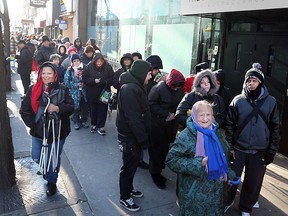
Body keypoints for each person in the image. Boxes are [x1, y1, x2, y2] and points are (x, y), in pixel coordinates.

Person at [224, 63, 280, 216]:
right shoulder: (238, 100)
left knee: (253, 182)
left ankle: (245, 207)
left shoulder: (271, 102)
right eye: (248, 80)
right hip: (239, 148)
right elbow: (230, 125)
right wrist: (229, 147)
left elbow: (275, 127)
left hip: (259, 150)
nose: (251, 83)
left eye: (254, 80)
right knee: (231, 178)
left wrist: (271, 150)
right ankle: (226, 202)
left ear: (260, 82)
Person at [166, 100, 237, 215]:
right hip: (194, 196)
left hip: (216, 195)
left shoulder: (217, 133)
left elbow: (222, 157)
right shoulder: (187, 136)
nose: (205, 118)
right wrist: (198, 163)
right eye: (201, 115)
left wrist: (227, 174)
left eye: (208, 115)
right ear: (194, 116)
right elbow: (171, 160)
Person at [20, 62, 74, 196]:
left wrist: (58, 108)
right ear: (39, 74)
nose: (46, 76)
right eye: (43, 73)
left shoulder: (62, 88)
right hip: (39, 132)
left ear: (54, 74)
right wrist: (33, 124)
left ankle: (51, 181)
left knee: (54, 157)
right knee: (36, 156)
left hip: (58, 131)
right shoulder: (33, 89)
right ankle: (47, 170)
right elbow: (24, 109)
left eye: (49, 73)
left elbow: (72, 107)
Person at [116, 59, 152, 212]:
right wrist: (143, 139)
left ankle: (129, 189)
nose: (150, 77)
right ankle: (125, 197)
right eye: (149, 74)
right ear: (141, 73)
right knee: (129, 166)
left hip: (133, 136)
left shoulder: (135, 85)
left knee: (131, 165)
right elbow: (133, 118)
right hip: (130, 137)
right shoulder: (130, 89)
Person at [148, 69, 185, 189]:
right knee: (155, 149)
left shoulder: (179, 91)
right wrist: (165, 114)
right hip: (156, 124)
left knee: (164, 148)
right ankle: (155, 172)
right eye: (175, 86)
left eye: (179, 86)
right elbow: (151, 104)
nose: (176, 88)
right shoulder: (158, 88)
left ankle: (159, 169)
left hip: (170, 125)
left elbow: (181, 104)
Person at [82, 53, 114, 135]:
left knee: (103, 110)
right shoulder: (89, 67)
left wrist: (105, 82)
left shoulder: (108, 67)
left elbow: (112, 78)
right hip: (92, 92)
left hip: (105, 92)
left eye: (101, 61)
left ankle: (101, 126)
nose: (99, 63)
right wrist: (93, 81)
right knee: (93, 109)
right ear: (94, 61)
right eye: (97, 61)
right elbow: (85, 79)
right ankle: (93, 125)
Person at [64, 54, 89, 130]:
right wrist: (76, 84)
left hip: (84, 92)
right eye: (74, 61)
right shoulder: (70, 70)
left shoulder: (85, 68)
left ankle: (84, 121)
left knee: (85, 107)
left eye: (77, 60)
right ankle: (76, 121)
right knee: (76, 107)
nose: (76, 62)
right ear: (72, 62)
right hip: (74, 93)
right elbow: (66, 82)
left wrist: (83, 83)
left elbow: (89, 79)